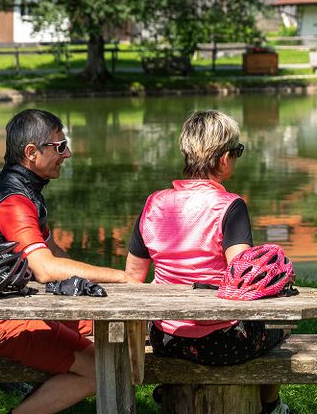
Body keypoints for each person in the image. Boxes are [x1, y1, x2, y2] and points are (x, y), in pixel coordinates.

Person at [0, 109, 137, 414]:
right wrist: (123, 277)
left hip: (16, 308)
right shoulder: (12, 200)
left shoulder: (25, 190)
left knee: (124, 331)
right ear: (31, 153)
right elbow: (45, 268)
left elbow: (56, 255)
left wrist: (96, 285)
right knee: (100, 369)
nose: (66, 154)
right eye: (59, 147)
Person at [125, 110, 290, 414]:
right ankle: (272, 406)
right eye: (237, 151)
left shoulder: (154, 203)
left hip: (164, 337)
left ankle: (175, 385)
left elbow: (132, 278)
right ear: (224, 159)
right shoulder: (230, 207)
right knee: (281, 325)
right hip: (220, 342)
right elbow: (245, 279)